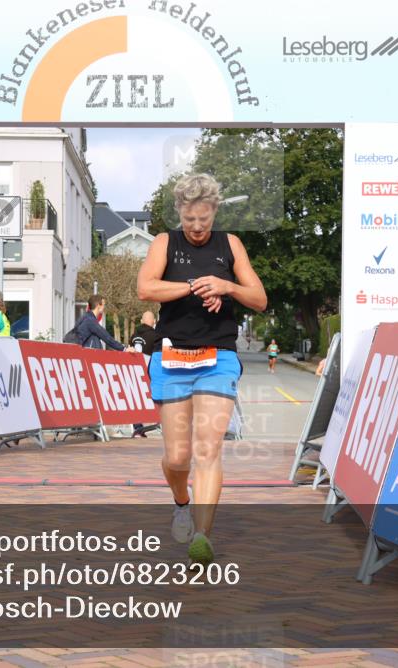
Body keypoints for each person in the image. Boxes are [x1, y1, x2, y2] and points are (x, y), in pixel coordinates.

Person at [137, 172, 267, 564]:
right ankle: (181, 502)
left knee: (208, 450)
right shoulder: (165, 243)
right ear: (180, 212)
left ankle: (202, 536)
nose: (196, 228)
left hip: (218, 356)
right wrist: (197, 285)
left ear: (214, 212)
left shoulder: (230, 245)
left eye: (204, 220)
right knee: (178, 457)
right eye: (189, 219)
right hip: (173, 355)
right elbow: (146, 288)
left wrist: (226, 286)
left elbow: (258, 298)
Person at [130, 311, 159, 438]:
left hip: (133, 371)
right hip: (149, 372)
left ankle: (138, 428)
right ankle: (160, 422)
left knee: (136, 399)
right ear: (153, 322)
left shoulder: (134, 335)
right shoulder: (156, 336)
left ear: (141, 321)